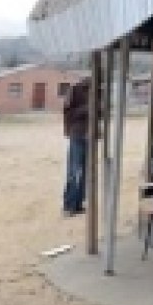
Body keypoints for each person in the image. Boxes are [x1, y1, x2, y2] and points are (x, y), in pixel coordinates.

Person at [62, 77, 91, 216]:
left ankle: (78, 204)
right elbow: (68, 112)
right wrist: (87, 109)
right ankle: (68, 205)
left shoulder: (98, 91)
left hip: (90, 135)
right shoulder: (76, 89)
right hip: (77, 134)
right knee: (74, 171)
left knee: (85, 171)